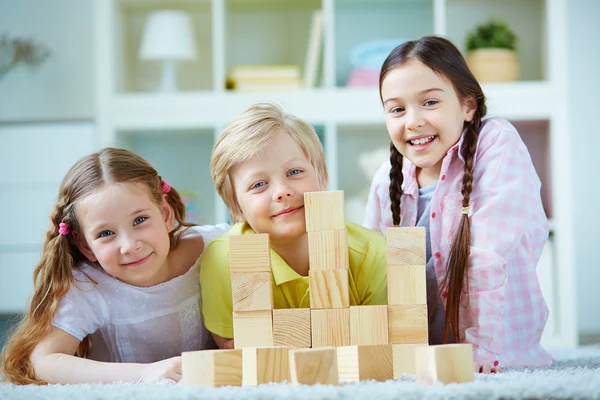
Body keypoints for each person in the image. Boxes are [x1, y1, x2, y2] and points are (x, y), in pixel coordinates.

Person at [364, 36, 552, 372]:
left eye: (430, 102)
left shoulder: (496, 144)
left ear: (469, 105)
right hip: (420, 362)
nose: (413, 121)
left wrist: (481, 350)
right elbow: (371, 274)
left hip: (492, 358)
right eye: (397, 109)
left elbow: (489, 255)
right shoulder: (386, 178)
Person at [1, 148, 228, 384]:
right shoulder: (88, 286)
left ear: (165, 213)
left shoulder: (216, 247)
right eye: (106, 233)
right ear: (85, 246)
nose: (129, 245)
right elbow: (43, 361)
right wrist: (143, 373)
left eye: (139, 220)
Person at [201, 103, 387, 349]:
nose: (282, 192)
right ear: (235, 206)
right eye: (258, 185)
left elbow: (381, 345)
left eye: (295, 171)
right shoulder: (223, 260)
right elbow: (231, 344)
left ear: (322, 177)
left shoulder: (372, 254)